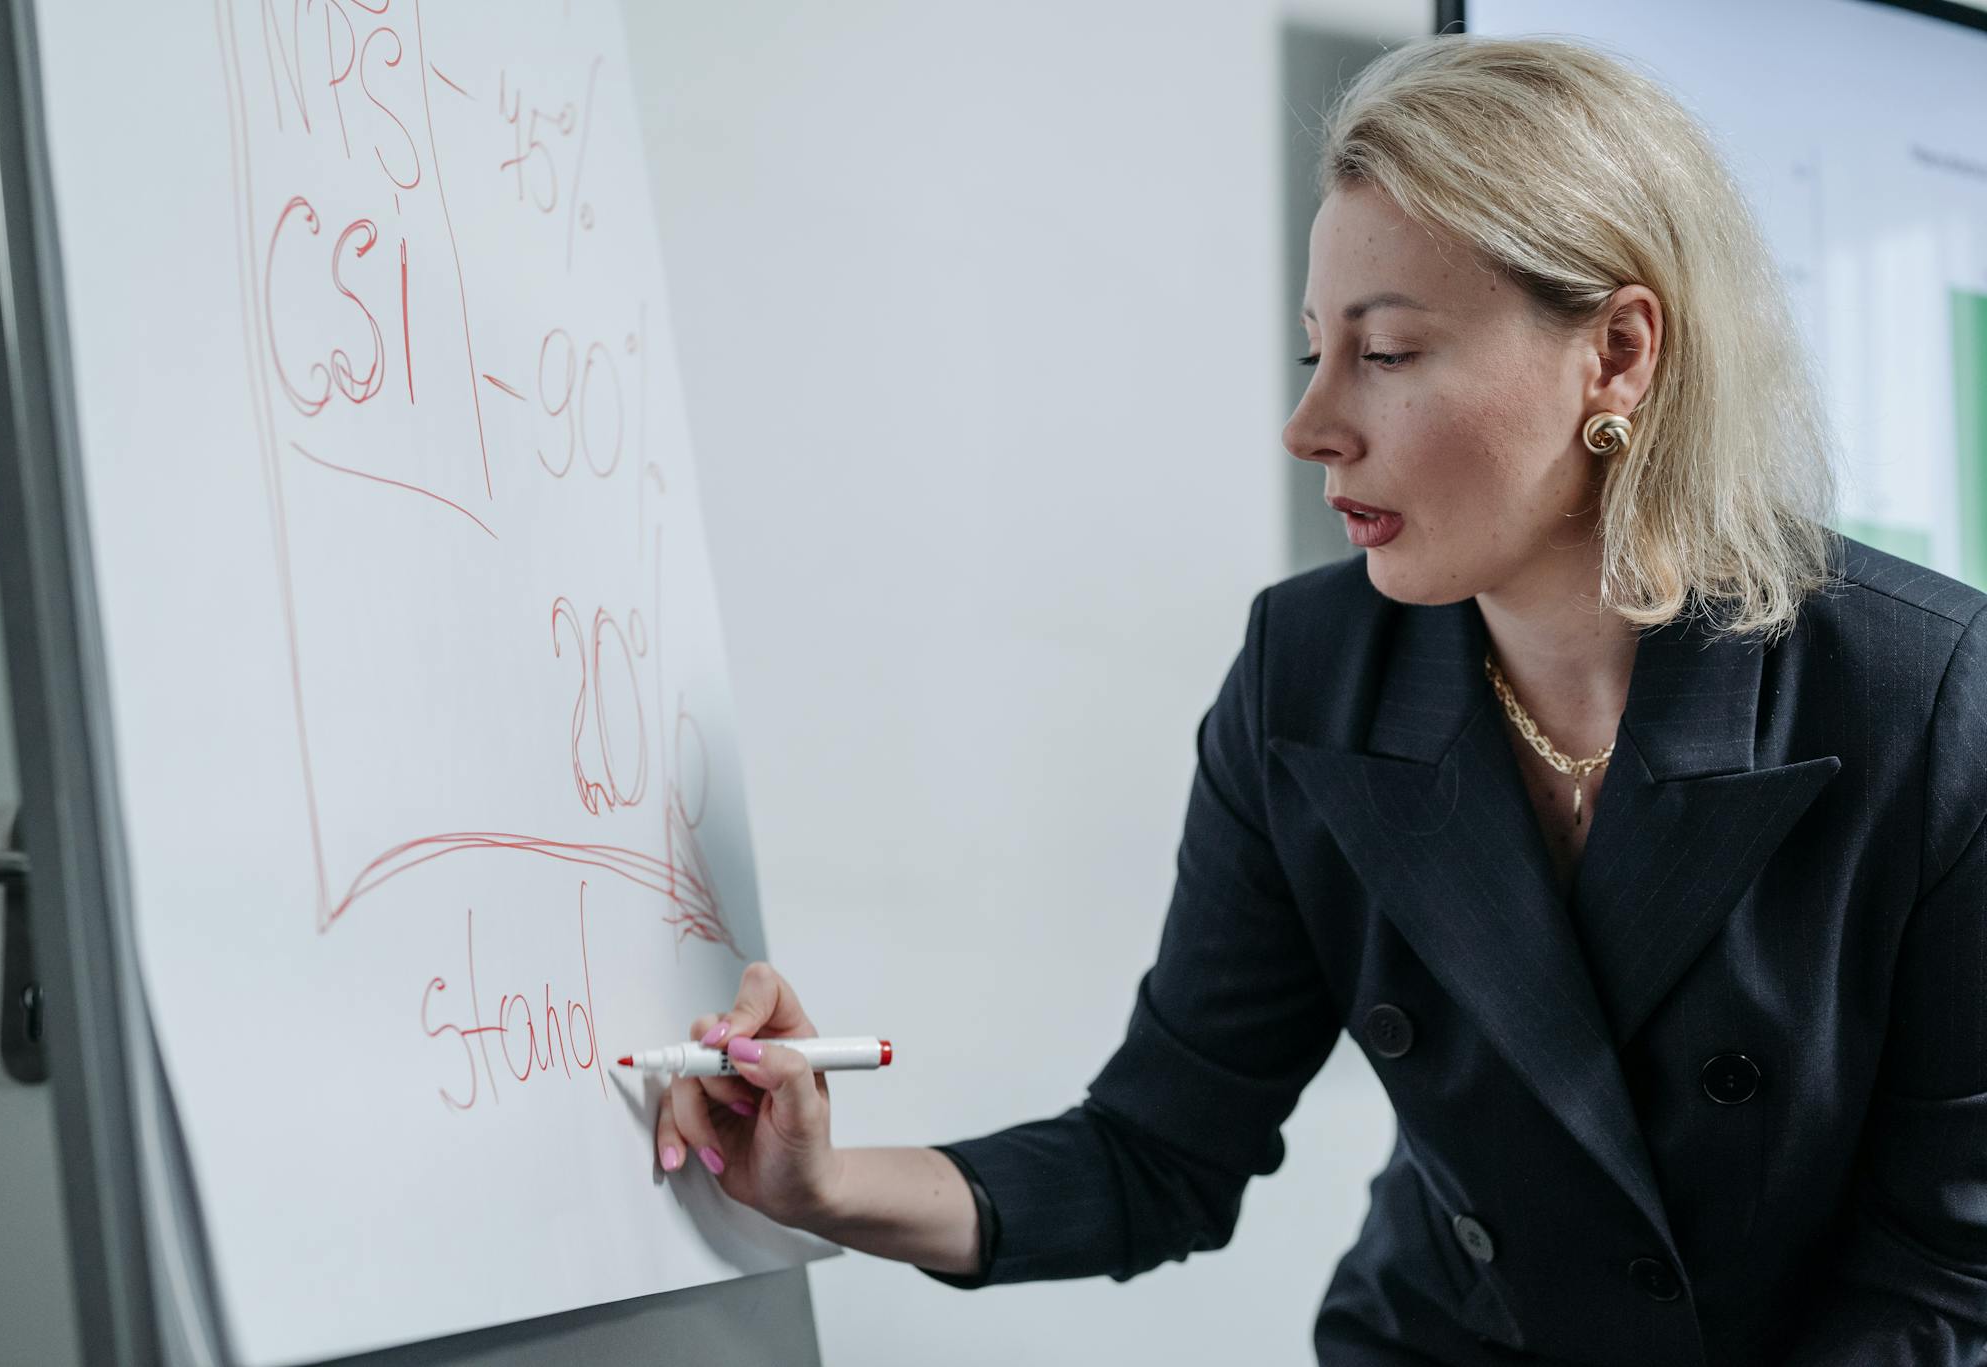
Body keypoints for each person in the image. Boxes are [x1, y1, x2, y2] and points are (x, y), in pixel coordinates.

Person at [649, 32, 1987, 1366]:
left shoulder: (1924, 696)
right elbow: (1159, 1151)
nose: (1312, 427)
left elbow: (1946, 1276)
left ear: (1619, 357)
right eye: (1314, 355)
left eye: (1389, 354)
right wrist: (822, 1187)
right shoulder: (1309, 674)